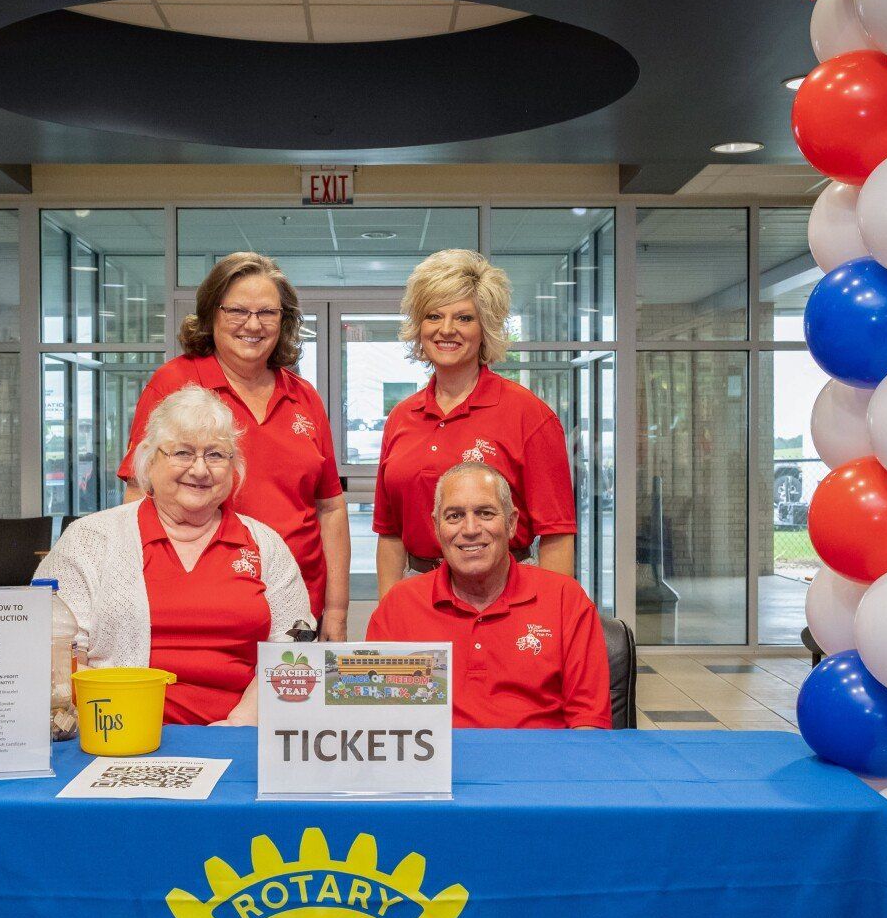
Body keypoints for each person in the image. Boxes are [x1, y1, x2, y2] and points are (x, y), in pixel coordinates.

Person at [41, 386, 310, 726]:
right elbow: (53, 653)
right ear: (149, 462)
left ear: (233, 468)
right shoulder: (90, 540)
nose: (200, 470)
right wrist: (125, 721)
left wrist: (243, 722)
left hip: (241, 733)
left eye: (215, 455)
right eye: (182, 453)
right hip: (116, 735)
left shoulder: (264, 544)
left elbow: (298, 645)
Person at [116, 252, 350, 640]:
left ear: (284, 320)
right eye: (237, 310)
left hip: (297, 606)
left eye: (268, 312)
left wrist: (338, 610)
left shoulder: (304, 396)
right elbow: (140, 491)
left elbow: (330, 507)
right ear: (211, 315)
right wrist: (128, 593)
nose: (253, 325)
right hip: (203, 604)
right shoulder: (175, 383)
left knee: (288, 700)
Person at [373, 249, 577, 602]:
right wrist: (388, 612)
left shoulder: (528, 413)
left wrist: (549, 617)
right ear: (419, 327)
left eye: (464, 318)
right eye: (434, 316)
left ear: (485, 329)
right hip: (418, 593)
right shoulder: (401, 417)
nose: (447, 330)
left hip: (504, 592)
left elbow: (556, 534)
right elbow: (390, 534)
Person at [366, 462, 608, 729]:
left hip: (540, 766)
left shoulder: (566, 599)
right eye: (454, 516)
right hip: (435, 767)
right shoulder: (399, 606)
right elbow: (379, 721)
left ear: (511, 523)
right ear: (436, 527)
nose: (470, 529)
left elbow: (589, 724)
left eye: (485, 513)